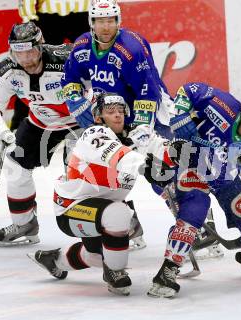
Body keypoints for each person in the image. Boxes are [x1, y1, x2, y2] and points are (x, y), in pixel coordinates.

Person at [147, 83, 241, 298]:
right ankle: (168, 271)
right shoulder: (224, 103)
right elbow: (188, 89)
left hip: (224, 178)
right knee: (195, 209)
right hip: (191, 165)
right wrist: (181, 115)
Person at [27, 92, 175, 296]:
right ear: (98, 117)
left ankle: (53, 260)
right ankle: (115, 273)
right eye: (110, 111)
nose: (117, 115)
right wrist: (148, 166)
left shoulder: (138, 134)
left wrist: (180, 155)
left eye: (121, 111)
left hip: (101, 210)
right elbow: (119, 156)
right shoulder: (93, 134)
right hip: (72, 208)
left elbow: (162, 148)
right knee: (119, 214)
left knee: (97, 255)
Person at [60, 0, 174, 250]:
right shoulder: (81, 47)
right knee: (101, 171)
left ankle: (192, 227)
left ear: (118, 21)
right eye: (100, 21)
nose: (106, 26)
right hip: (112, 116)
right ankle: (129, 228)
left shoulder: (130, 48)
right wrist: (77, 104)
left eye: (111, 20)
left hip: (151, 113)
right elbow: (69, 79)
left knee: (163, 172)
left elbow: (149, 90)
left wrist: (142, 128)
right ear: (91, 22)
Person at [0, 21, 81, 247]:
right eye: (18, 52)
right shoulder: (6, 69)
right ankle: (25, 224)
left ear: (41, 45)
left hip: (80, 122)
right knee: (15, 166)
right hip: (41, 121)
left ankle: (121, 225)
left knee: (82, 175)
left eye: (30, 51)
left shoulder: (68, 60)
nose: (25, 59)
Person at [11, 0, 91, 131]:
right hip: (49, 16)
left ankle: (103, 123)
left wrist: (105, 11)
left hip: (84, 13)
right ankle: (18, 127)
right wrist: (28, 17)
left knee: (93, 69)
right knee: (31, 72)